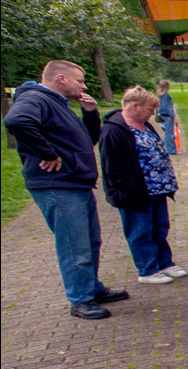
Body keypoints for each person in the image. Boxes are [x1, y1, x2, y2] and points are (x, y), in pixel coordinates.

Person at [2, 60, 129, 319]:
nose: (83, 86)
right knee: (74, 245)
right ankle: (81, 300)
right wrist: (46, 152)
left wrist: (91, 113)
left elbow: (86, 140)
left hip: (75, 183)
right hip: (58, 185)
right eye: (79, 80)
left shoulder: (58, 105)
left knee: (90, 241)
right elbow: (15, 120)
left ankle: (91, 288)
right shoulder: (36, 98)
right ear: (61, 78)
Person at [99, 86, 187, 286]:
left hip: (156, 188)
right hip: (136, 192)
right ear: (135, 106)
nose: (152, 114)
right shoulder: (114, 129)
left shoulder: (144, 125)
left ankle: (164, 262)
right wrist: (128, 188)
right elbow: (112, 166)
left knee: (160, 227)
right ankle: (147, 269)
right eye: (149, 109)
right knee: (141, 230)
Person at [156, 80, 177, 155]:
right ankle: (171, 150)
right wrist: (172, 115)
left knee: (167, 132)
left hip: (163, 115)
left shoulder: (160, 95)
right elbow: (166, 107)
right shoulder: (165, 96)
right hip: (167, 116)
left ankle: (170, 148)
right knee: (169, 133)